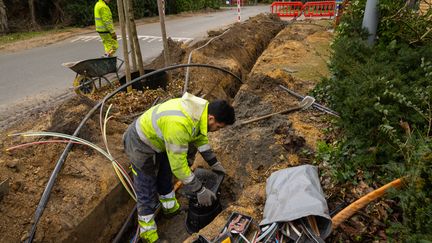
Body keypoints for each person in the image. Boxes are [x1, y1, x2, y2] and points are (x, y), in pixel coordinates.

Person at [123, 92, 236, 243]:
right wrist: (200, 190)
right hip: (140, 142)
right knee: (147, 188)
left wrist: (213, 162)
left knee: (165, 175)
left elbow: (200, 137)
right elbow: (180, 168)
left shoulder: (200, 111)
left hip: (161, 139)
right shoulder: (180, 124)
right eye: (219, 127)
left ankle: (170, 209)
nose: (218, 130)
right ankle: (148, 236)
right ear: (211, 118)